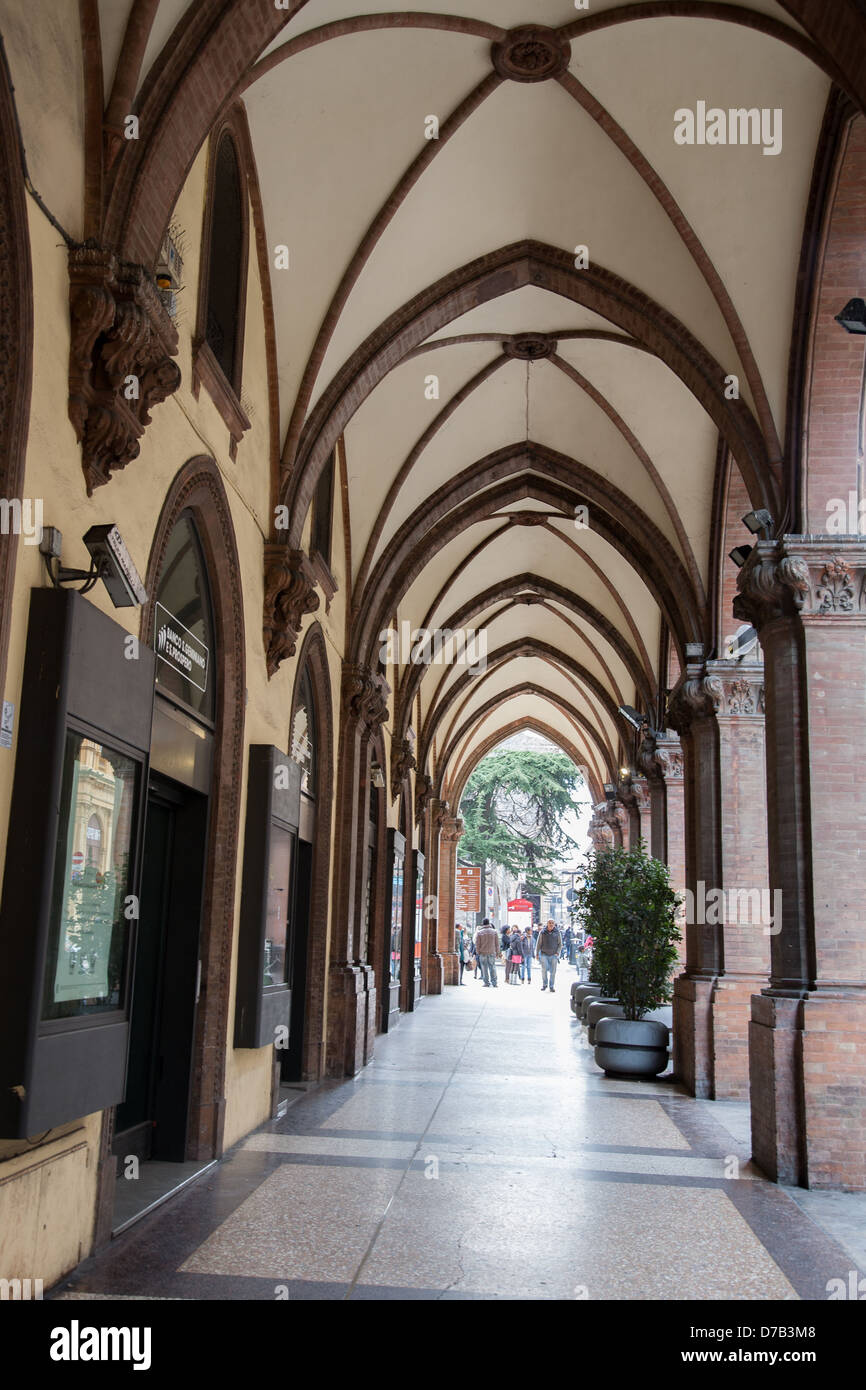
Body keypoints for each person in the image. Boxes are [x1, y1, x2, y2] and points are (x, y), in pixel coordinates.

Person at [536, 918, 563, 992]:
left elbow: (560, 944)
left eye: (552, 923)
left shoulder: (557, 932)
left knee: (553, 972)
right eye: (549, 923)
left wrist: (558, 952)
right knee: (544, 970)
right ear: (547, 924)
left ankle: (551, 986)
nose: (551, 924)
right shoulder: (542, 932)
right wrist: (537, 953)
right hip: (544, 954)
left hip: (554, 955)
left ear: (554, 924)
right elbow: (539, 943)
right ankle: (544, 985)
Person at [474, 918, 499, 988]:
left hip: (483, 953)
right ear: (489, 923)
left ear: (483, 923)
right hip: (492, 952)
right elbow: (497, 944)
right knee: (492, 967)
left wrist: (478, 952)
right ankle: (494, 983)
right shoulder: (494, 932)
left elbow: (477, 944)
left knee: (484, 968)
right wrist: (497, 953)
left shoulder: (479, 932)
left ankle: (486, 983)